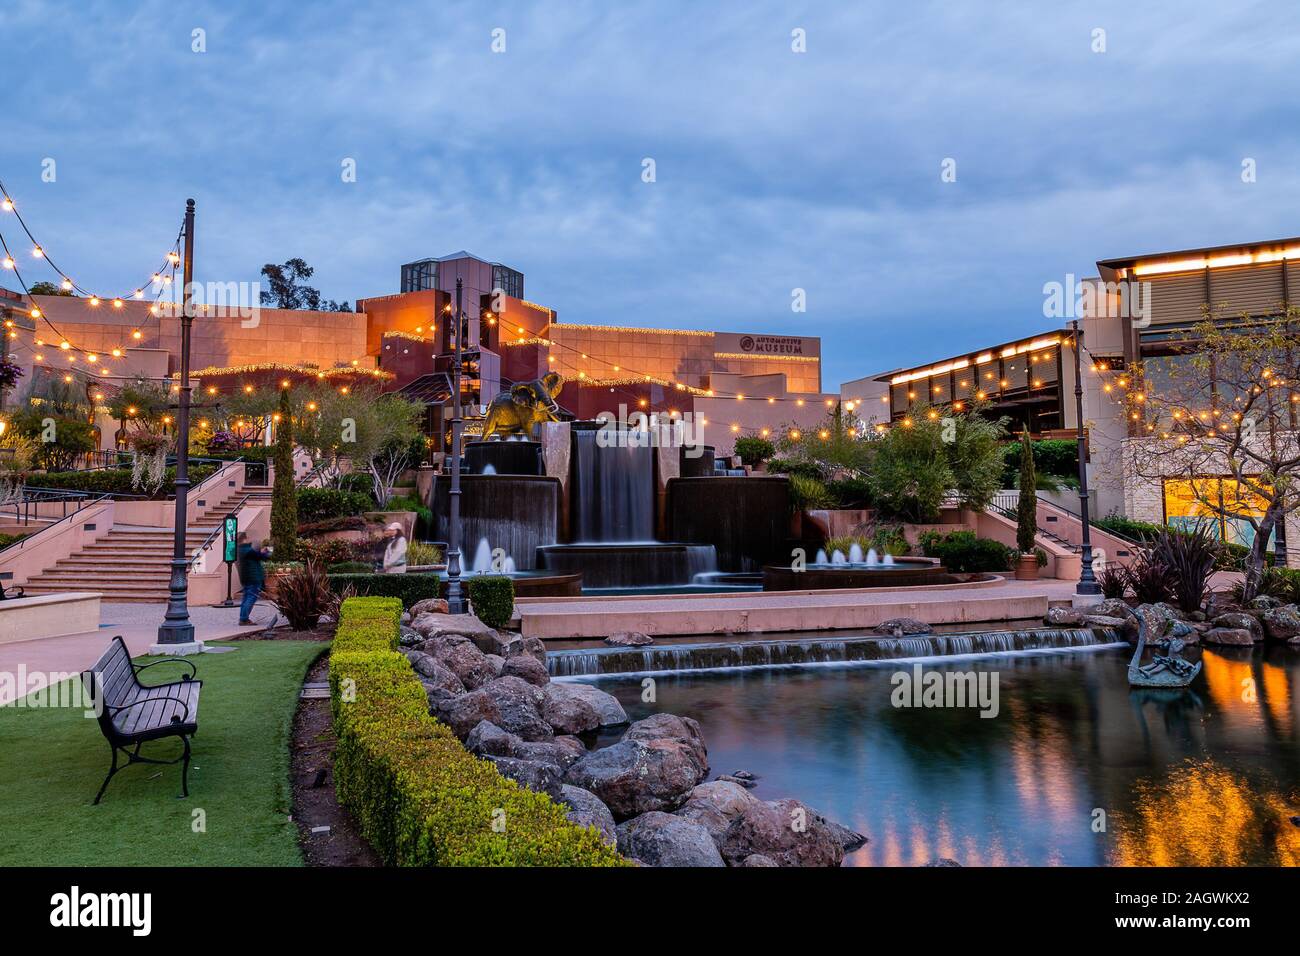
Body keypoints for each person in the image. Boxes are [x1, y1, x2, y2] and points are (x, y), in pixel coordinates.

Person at [236, 532, 271, 625]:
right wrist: (266, 551)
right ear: (245, 539)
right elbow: (263, 556)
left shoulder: (240, 550)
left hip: (246, 577)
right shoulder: (247, 550)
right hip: (253, 577)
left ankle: (243, 618)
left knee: (246, 597)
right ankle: (244, 619)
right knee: (251, 597)